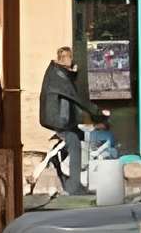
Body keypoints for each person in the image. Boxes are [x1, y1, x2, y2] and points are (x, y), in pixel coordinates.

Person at [37, 44, 98, 196]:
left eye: (69, 57)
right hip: (59, 119)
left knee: (80, 138)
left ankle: (65, 172)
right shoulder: (58, 75)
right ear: (60, 59)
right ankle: (74, 187)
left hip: (64, 118)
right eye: (65, 57)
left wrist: (73, 73)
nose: (68, 60)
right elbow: (74, 96)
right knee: (75, 143)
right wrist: (96, 112)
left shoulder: (62, 73)